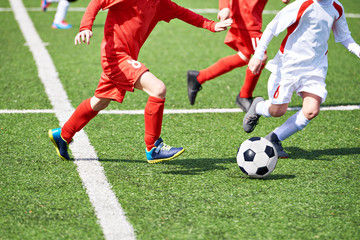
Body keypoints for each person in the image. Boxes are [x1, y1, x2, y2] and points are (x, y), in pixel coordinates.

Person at [48, 0, 232, 163]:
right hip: (115, 57)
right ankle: (153, 147)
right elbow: (96, 3)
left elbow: (183, 13)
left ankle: (63, 135)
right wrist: (85, 27)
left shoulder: (160, 3)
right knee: (158, 89)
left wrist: (211, 25)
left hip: (125, 57)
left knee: (100, 101)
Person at [243, 0, 360, 158]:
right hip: (289, 66)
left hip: (315, 68)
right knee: (278, 111)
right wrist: (258, 56)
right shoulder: (303, 5)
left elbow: (345, 37)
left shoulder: (336, 8)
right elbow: (272, 27)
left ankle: (274, 138)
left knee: (311, 110)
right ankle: (258, 107)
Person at [187, 0, 290, 111]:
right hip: (247, 21)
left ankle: (199, 77)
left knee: (244, 56)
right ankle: (244, 96)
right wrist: (224, 7)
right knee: (260, 57)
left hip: (246, 19)